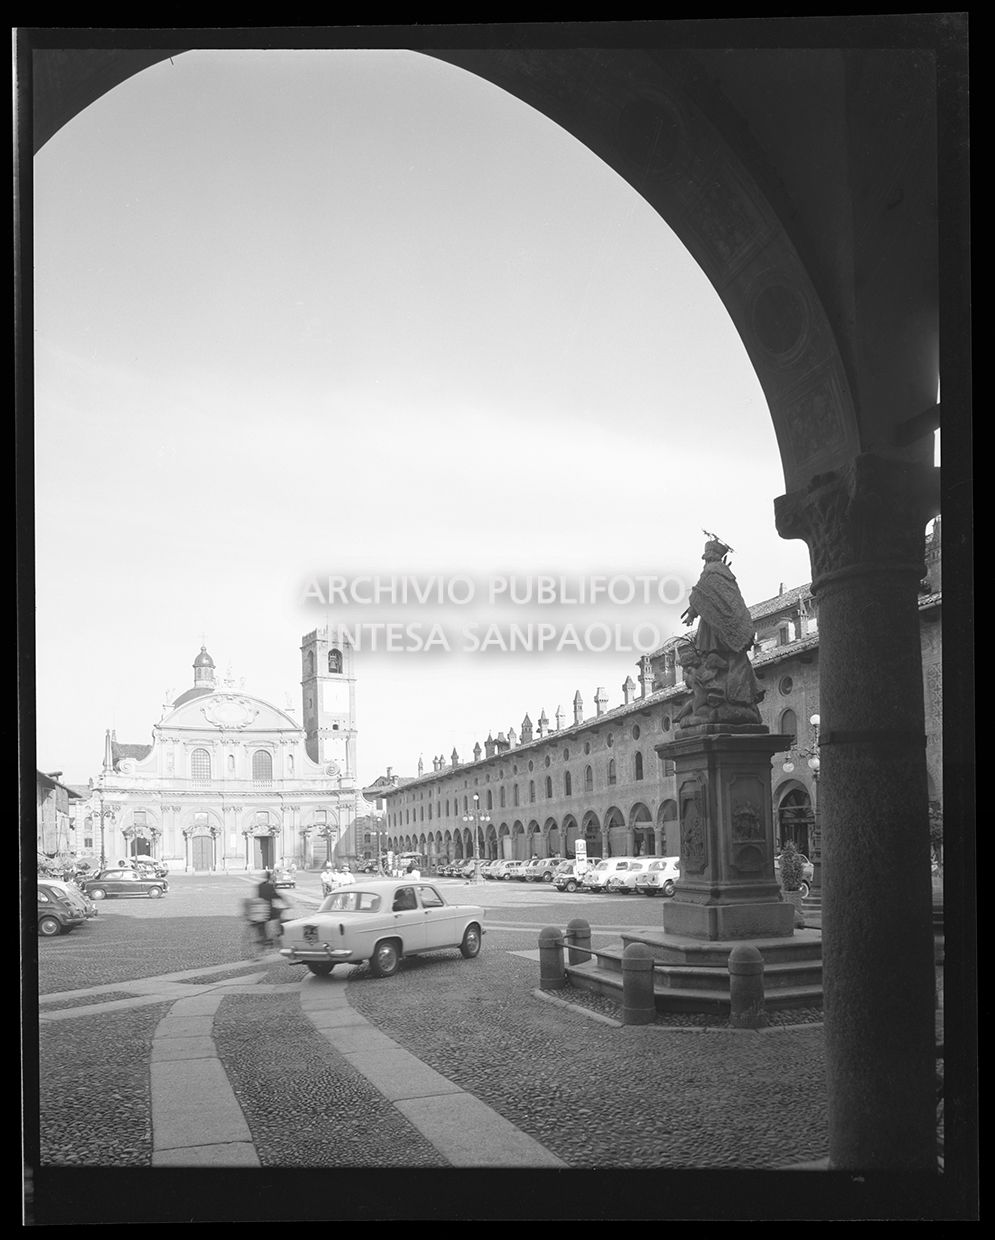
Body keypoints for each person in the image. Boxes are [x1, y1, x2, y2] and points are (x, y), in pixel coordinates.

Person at [256, 869, 285, 950]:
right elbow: (276, 896)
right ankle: (279, 932)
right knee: (279, 914)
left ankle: (264, 938)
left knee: (262, 923)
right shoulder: (270, 886)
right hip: (269, 910)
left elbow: (258, 896)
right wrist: (286, 902)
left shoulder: (259, 886)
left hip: (260, 910)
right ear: (270, 877)